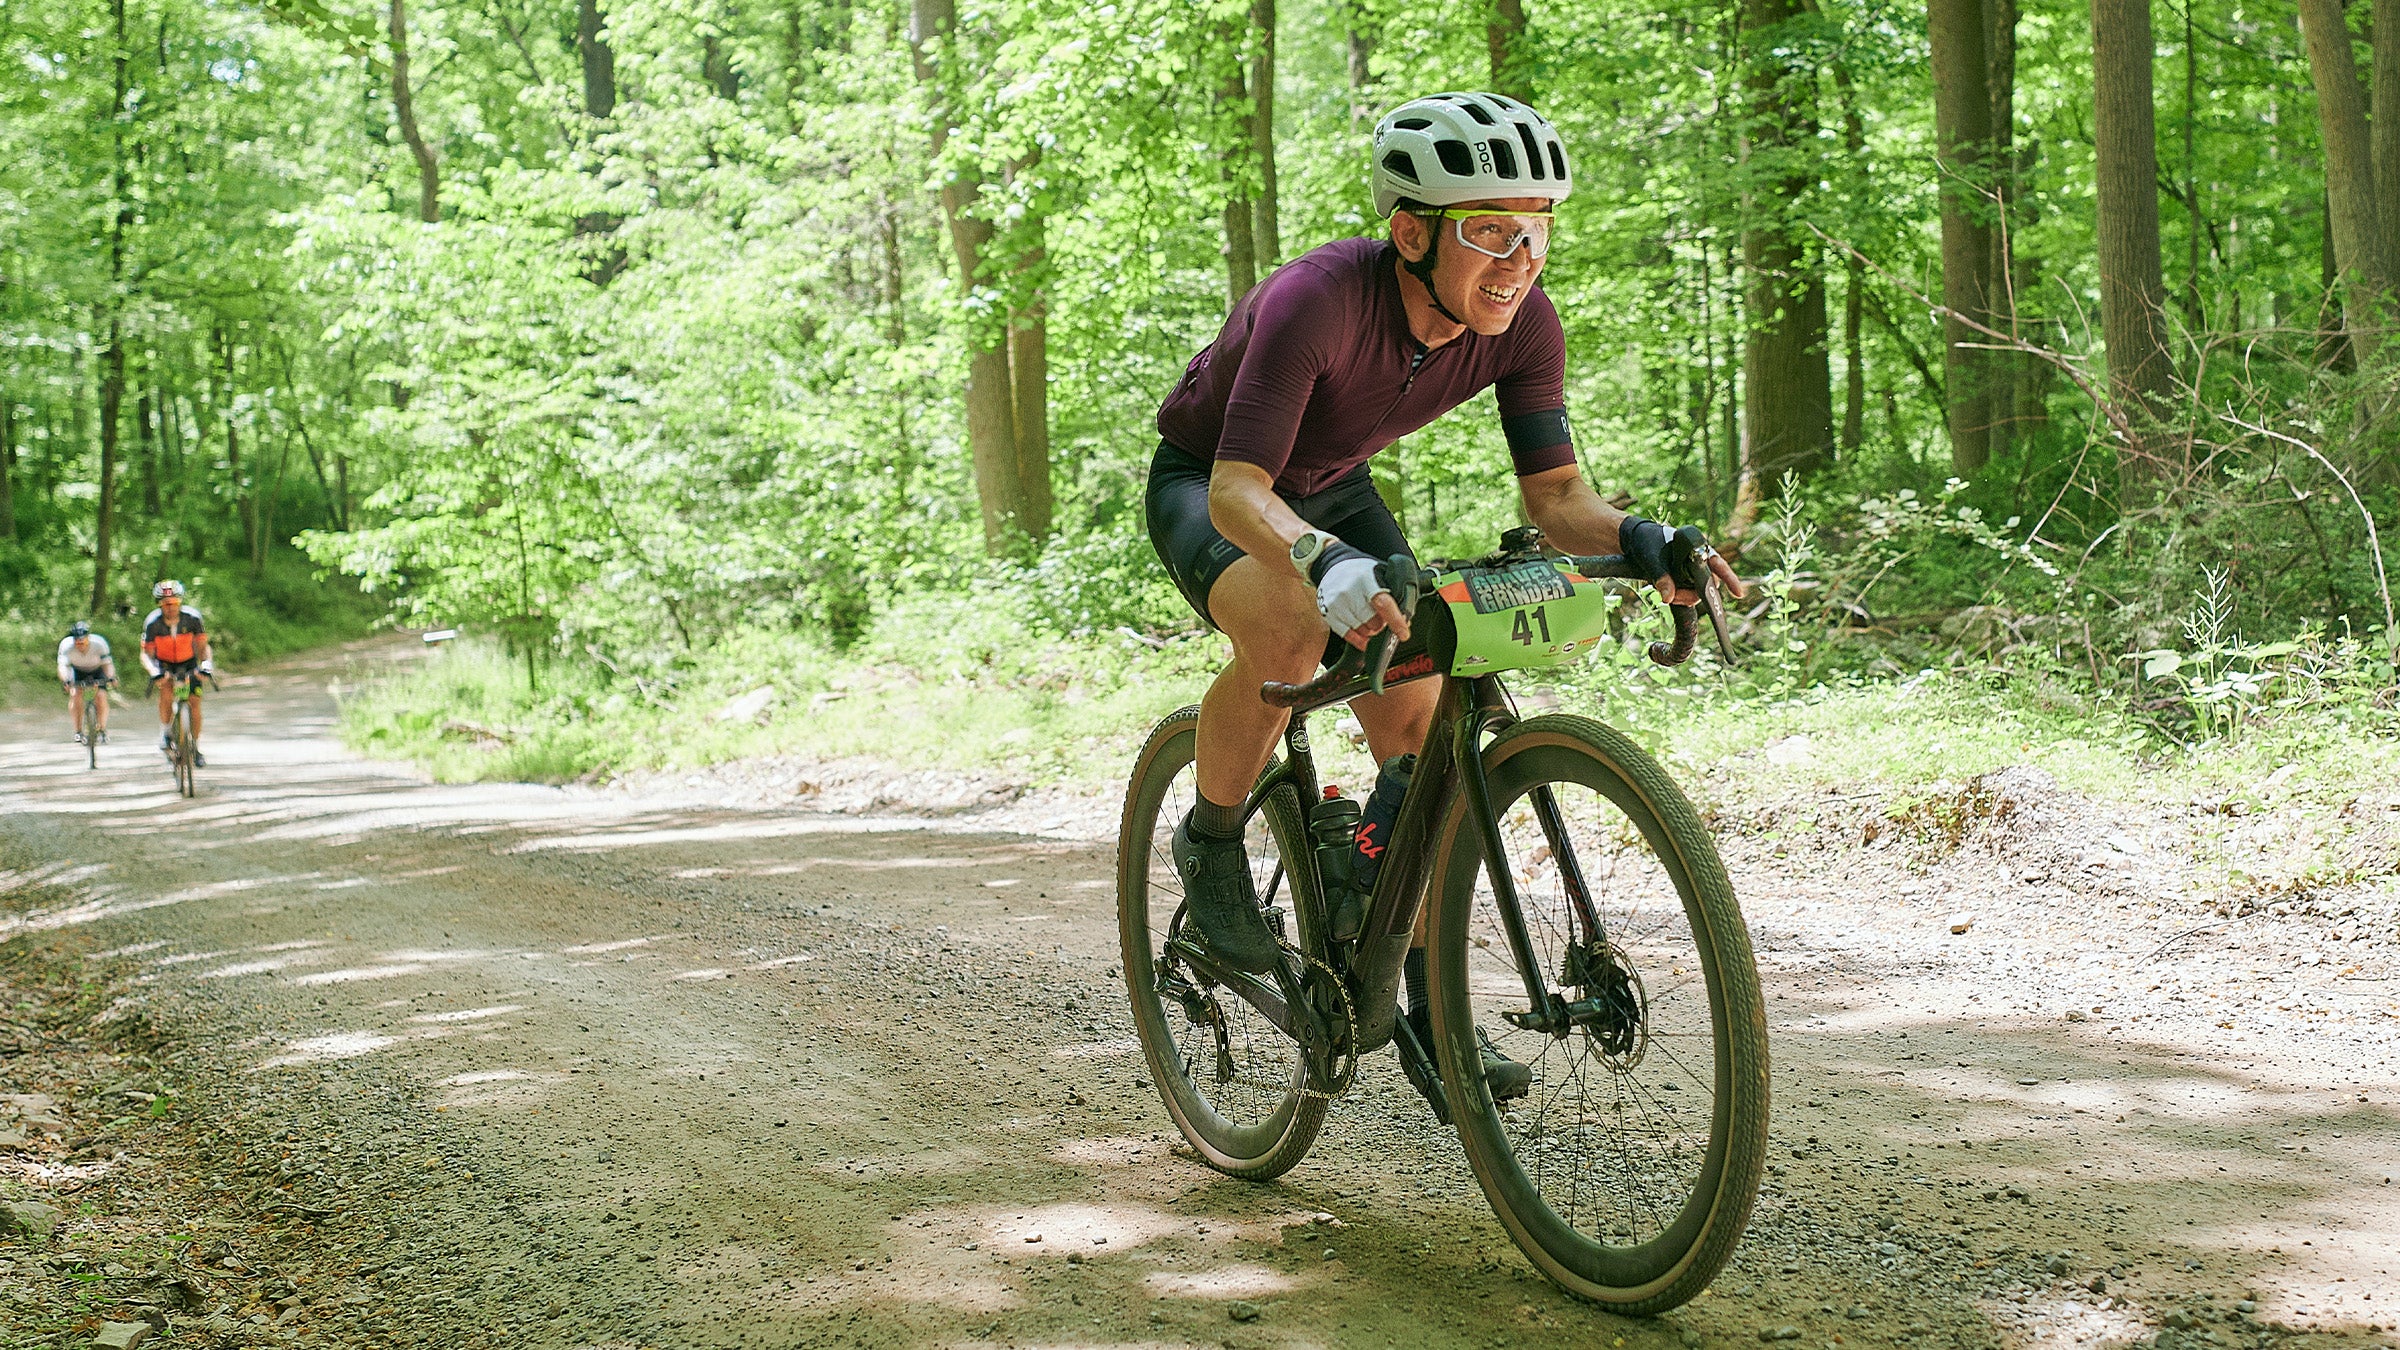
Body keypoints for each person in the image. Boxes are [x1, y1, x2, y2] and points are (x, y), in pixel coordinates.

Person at [1145, 91, 1744, 1099]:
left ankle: (1422, 1000)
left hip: (1332, 486)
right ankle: (1210, 846)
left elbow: (1557, 499)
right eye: (1488, 232)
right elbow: (1241, 491)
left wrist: (1649, 541)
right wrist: (1322, 561)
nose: (1518, 259)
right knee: (1291, 627)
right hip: (1215, 483)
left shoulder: (1524, 323)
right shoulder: (1317, 300)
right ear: (1411, 232)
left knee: (1420, 719)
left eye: (1537, 233)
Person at [140, 580, 213, 767]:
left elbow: (203, 647)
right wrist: (154, 671)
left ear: (179, 602)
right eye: (165, 603)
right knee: (165, 691)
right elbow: (146, 654)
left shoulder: (193, 618)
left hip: (189, 663)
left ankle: (195, 747)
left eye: (173, 602)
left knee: (195, 703)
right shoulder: (152, 623)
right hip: (164, 665)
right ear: (159, 605)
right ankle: (165, 732)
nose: (170, 607)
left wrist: (206, 664)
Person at [57, 622, 117, 744]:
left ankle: (102, 730)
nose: (80, 646)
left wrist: (111, 678)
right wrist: (66, 680)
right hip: (77, 670)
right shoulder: (66, 645)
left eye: (83, 642)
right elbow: (62, 667)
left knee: (100, 696)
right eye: (77, 643)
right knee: (75, 695)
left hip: (97, 670)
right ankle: (78, 731)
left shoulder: (99, 644)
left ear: (88, 638)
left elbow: (108, 665)